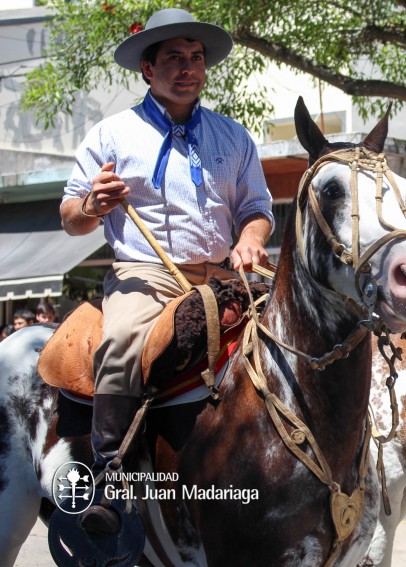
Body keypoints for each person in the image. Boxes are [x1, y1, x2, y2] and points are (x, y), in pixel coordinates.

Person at [60, 8, 273, 535]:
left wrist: (250, 240)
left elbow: (258, 208)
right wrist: (92, 203)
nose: (187, 68)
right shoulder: (111, 135)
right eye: (174, 58)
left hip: (226, 273)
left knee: (299, 331)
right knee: (122, 342)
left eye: (195, 58)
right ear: (147, 69)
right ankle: (110, 481)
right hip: (146, 275)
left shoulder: (234, 136)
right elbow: (69, 218)